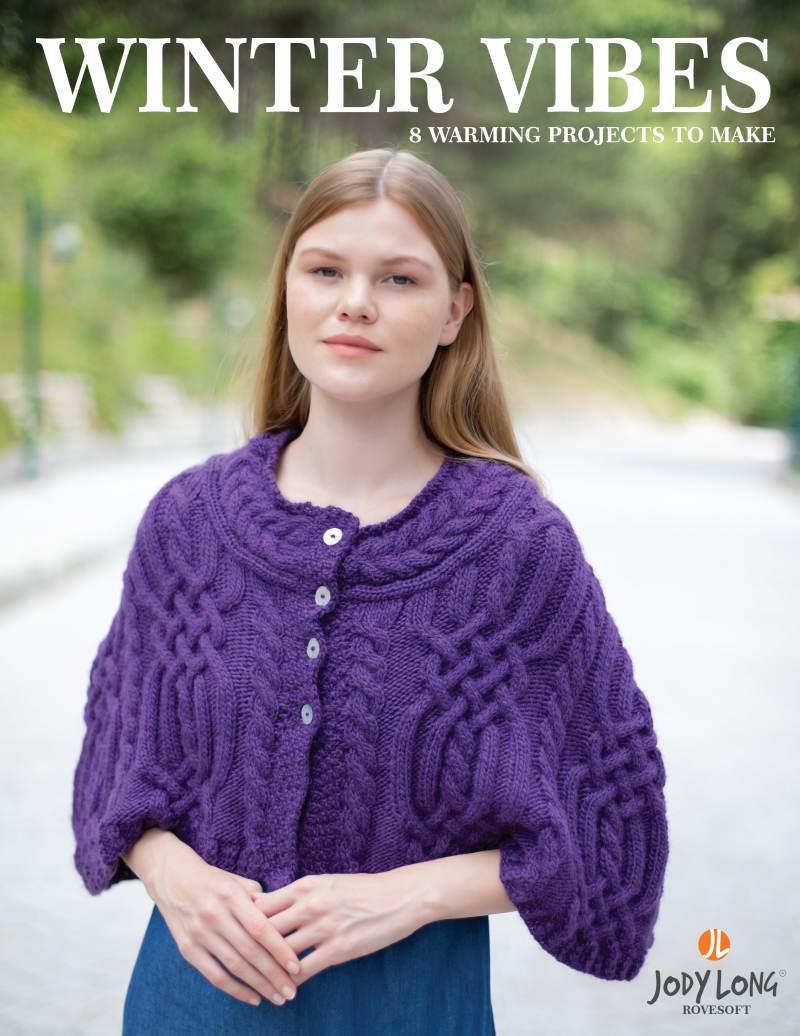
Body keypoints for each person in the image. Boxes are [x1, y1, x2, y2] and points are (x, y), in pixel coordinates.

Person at [71, 147, 669, 1034]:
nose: (355, 302)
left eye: (398, 278)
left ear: (455, 311)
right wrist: (172, 875)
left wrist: (409, 894)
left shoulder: (517, 548)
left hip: (408, 1005)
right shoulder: (188, 523)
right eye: (325, 271)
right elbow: (113, 770)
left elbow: (609, 832)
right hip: (190, 1001)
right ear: (287, 289)